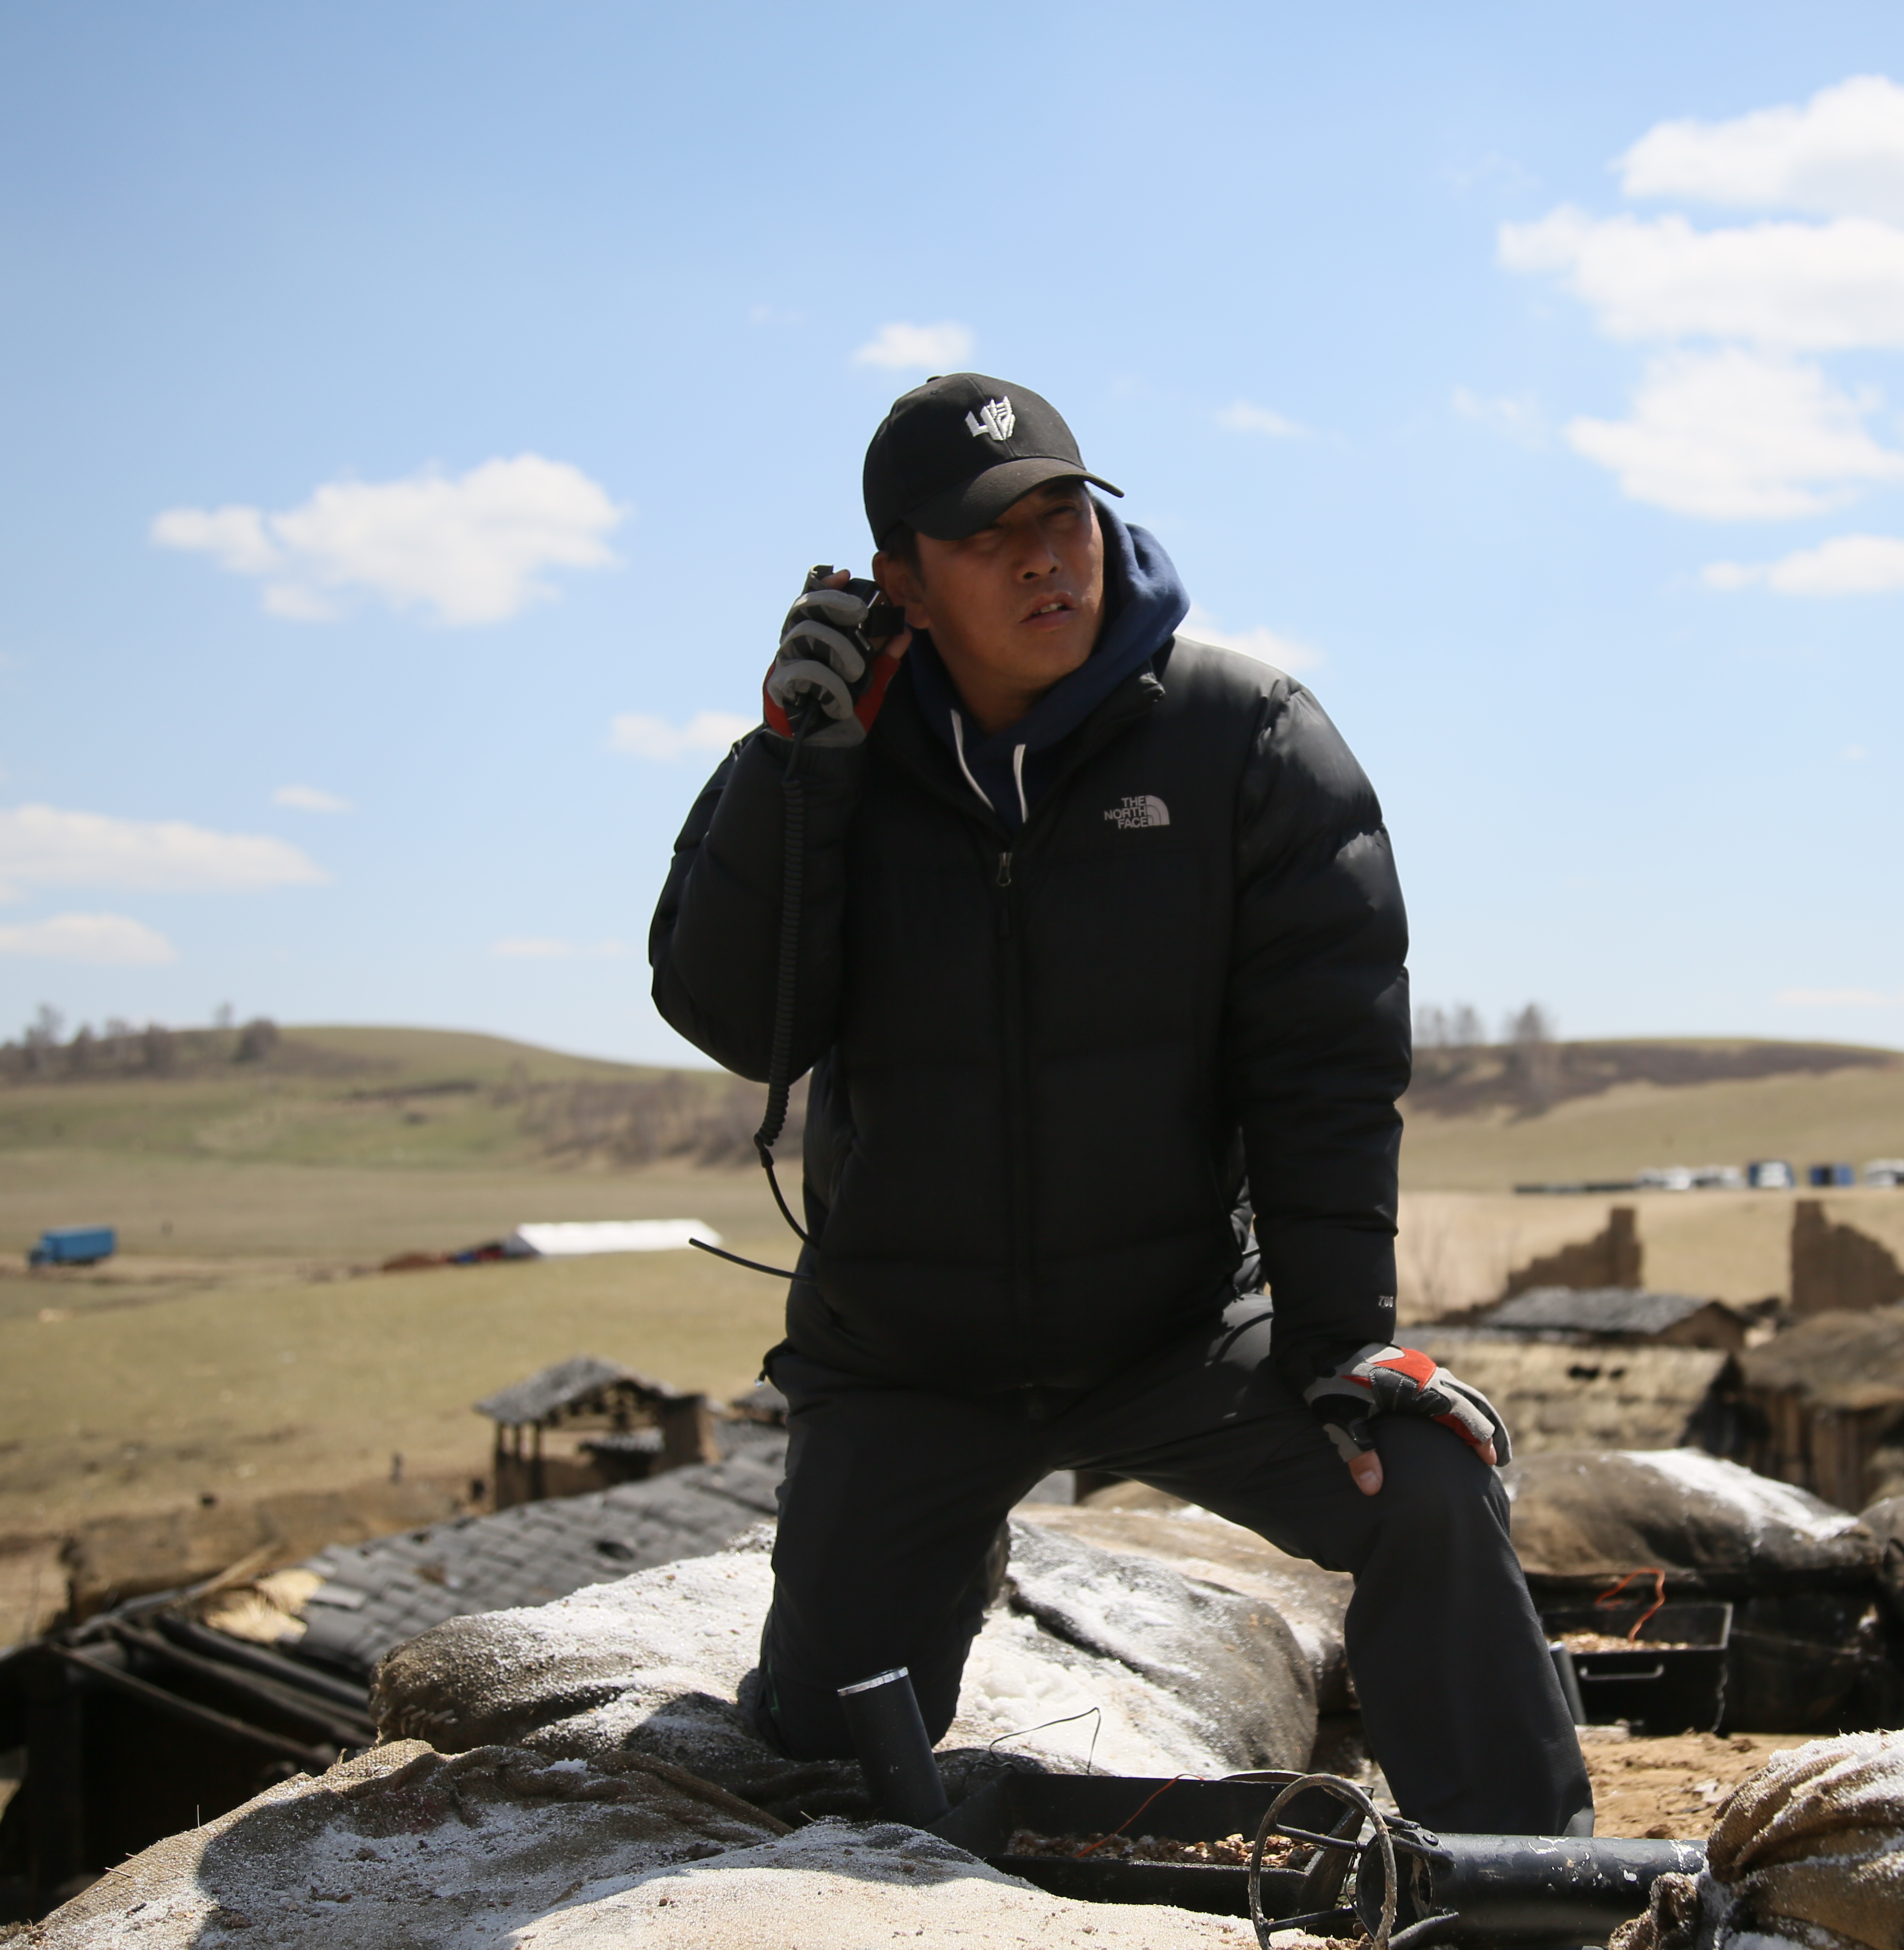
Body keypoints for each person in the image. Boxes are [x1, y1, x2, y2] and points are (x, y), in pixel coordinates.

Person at [648, 372, 1590, 1836]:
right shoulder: (821, 759)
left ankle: (1530, 1883)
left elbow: (1323, 1070)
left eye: (1065, 511)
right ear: (896, 579)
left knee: (1420, 1474)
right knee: (813, 1768)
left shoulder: (1247, 739)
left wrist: (1342, 1345)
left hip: (1178, 1327)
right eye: (989, 536)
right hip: (909, 1357)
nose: (1047, 555)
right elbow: (731, 1021)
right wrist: (795, 771)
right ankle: (893, 1617)